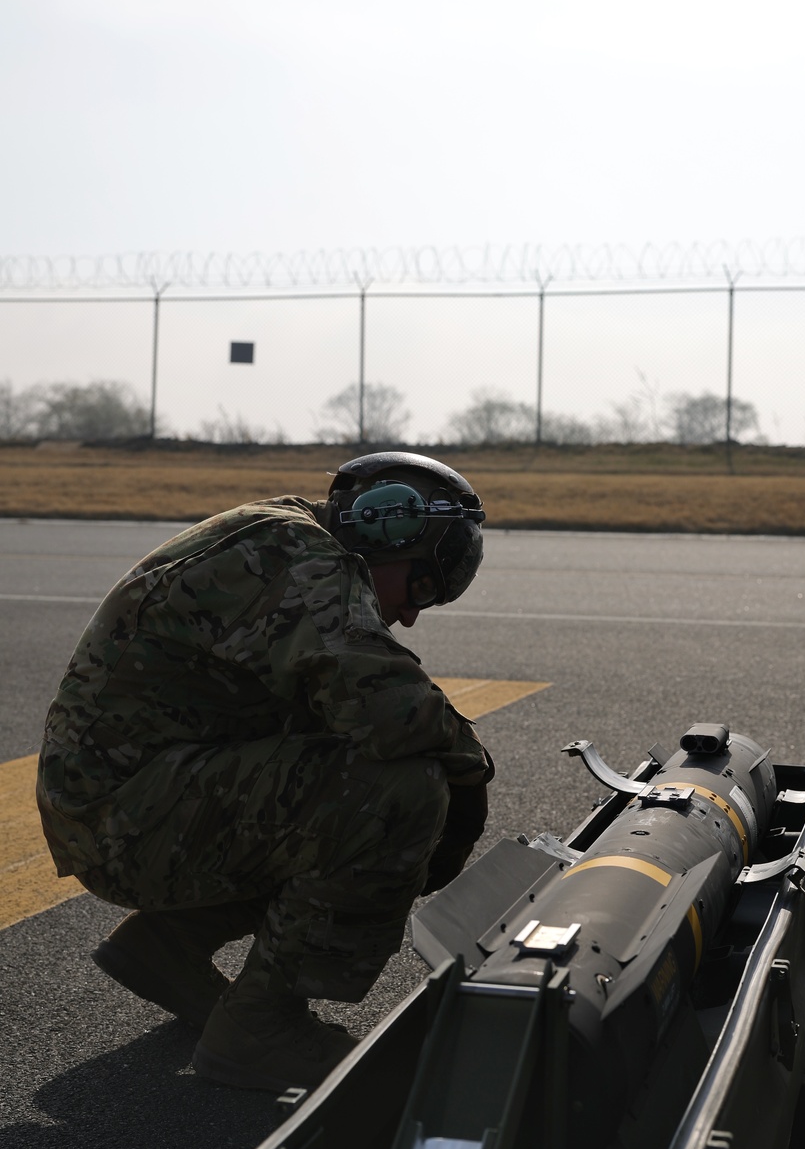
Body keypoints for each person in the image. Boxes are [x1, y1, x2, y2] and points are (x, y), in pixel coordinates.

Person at [36, 452, 493, 1091]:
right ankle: (260, 1026)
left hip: (128, 799)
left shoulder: (287, 538)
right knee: (394, 794)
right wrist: (470, 779)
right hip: (124, 821)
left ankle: (169, 947)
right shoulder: (298, 558)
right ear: (387, 529)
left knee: (335, 763)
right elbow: (388, 708)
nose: (414, 614)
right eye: (422, 586)